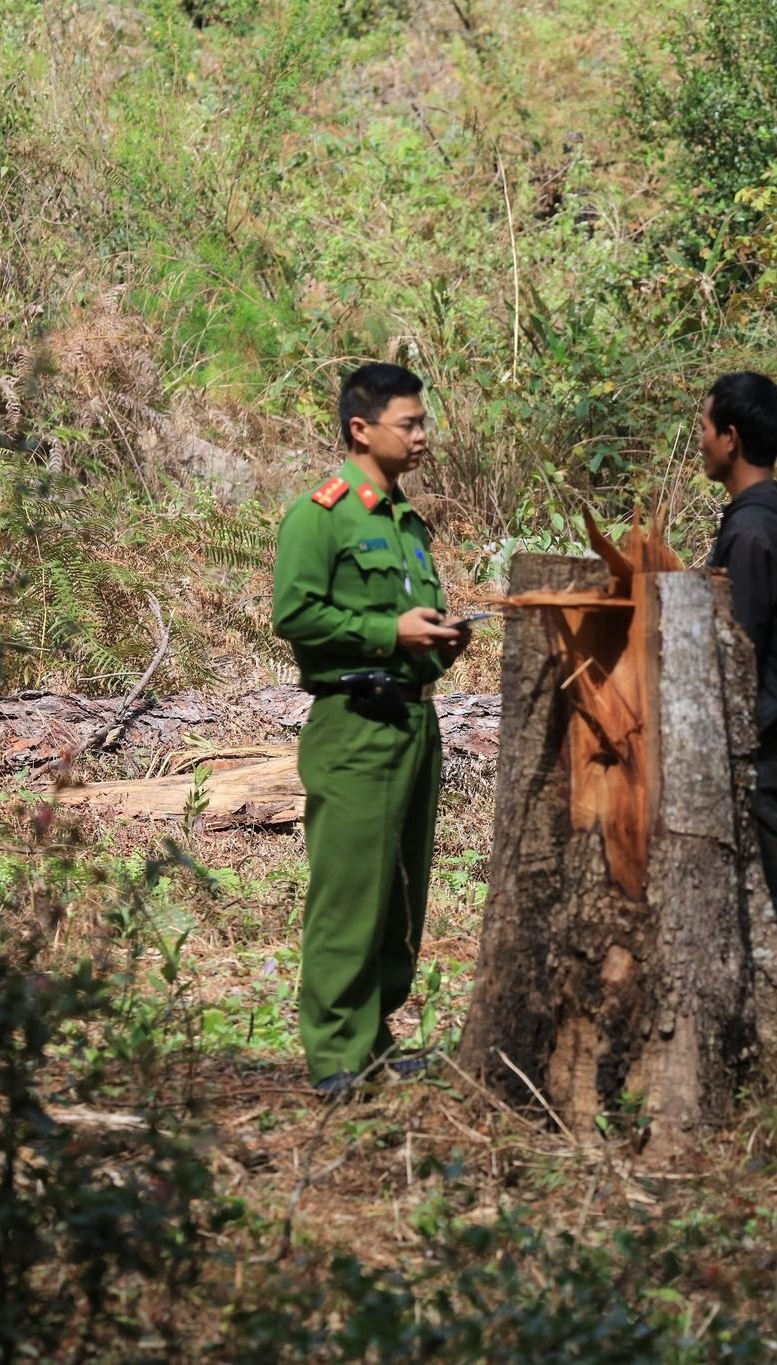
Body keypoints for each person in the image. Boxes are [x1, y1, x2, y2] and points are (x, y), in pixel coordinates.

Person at [272, 362, 471, 1101]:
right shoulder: (322, 514)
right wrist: (387, 629)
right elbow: (293, 615)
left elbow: (416, 617)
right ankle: (334, 1052)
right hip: (355, 722)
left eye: (424, 423)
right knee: (349, 891)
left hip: (415, 720)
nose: (423, 437)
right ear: (362, 428)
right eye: (409, 424)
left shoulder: (405, 520)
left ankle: (375, 1038)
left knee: (401, 895)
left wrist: (439, 640)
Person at [700, 371, 777, 926]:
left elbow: (735, 654)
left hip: (756, 755)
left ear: (730, 437)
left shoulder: (753, 533)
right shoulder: (770, 522)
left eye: (704, 426)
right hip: (769, 750)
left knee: (752, 930)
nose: (699, 440)